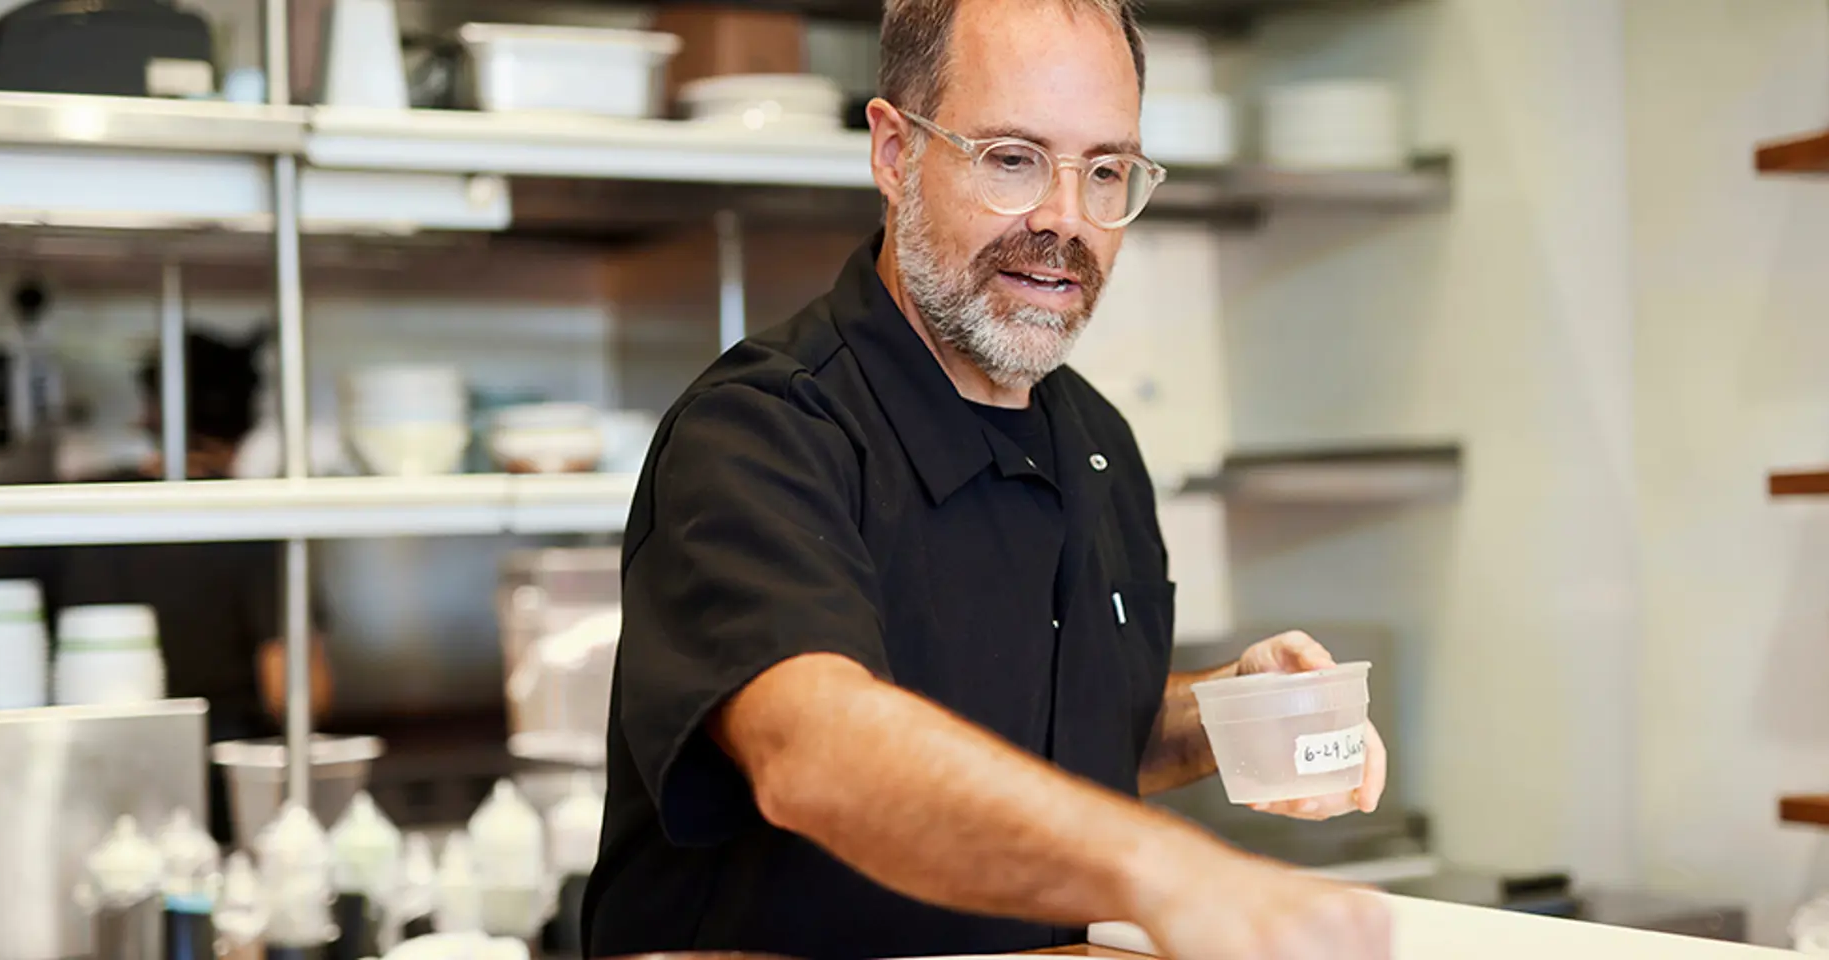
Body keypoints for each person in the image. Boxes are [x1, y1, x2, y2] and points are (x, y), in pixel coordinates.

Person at [584, 0, 1394, 957]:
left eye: (1106, 171)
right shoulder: (761, 431)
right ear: (894, 153)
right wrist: (1169, 870)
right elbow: (817, 753)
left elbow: (1066, 735)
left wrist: (1227, 714)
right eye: (1013, 159)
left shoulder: (1097, 441)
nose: (1065, 219)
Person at [0, 328, 334, 844]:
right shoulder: (255, 525)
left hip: (76, 783)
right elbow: (297, 692)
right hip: (215, 799)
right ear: (247, 424)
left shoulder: (79, 507)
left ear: (149, 415)